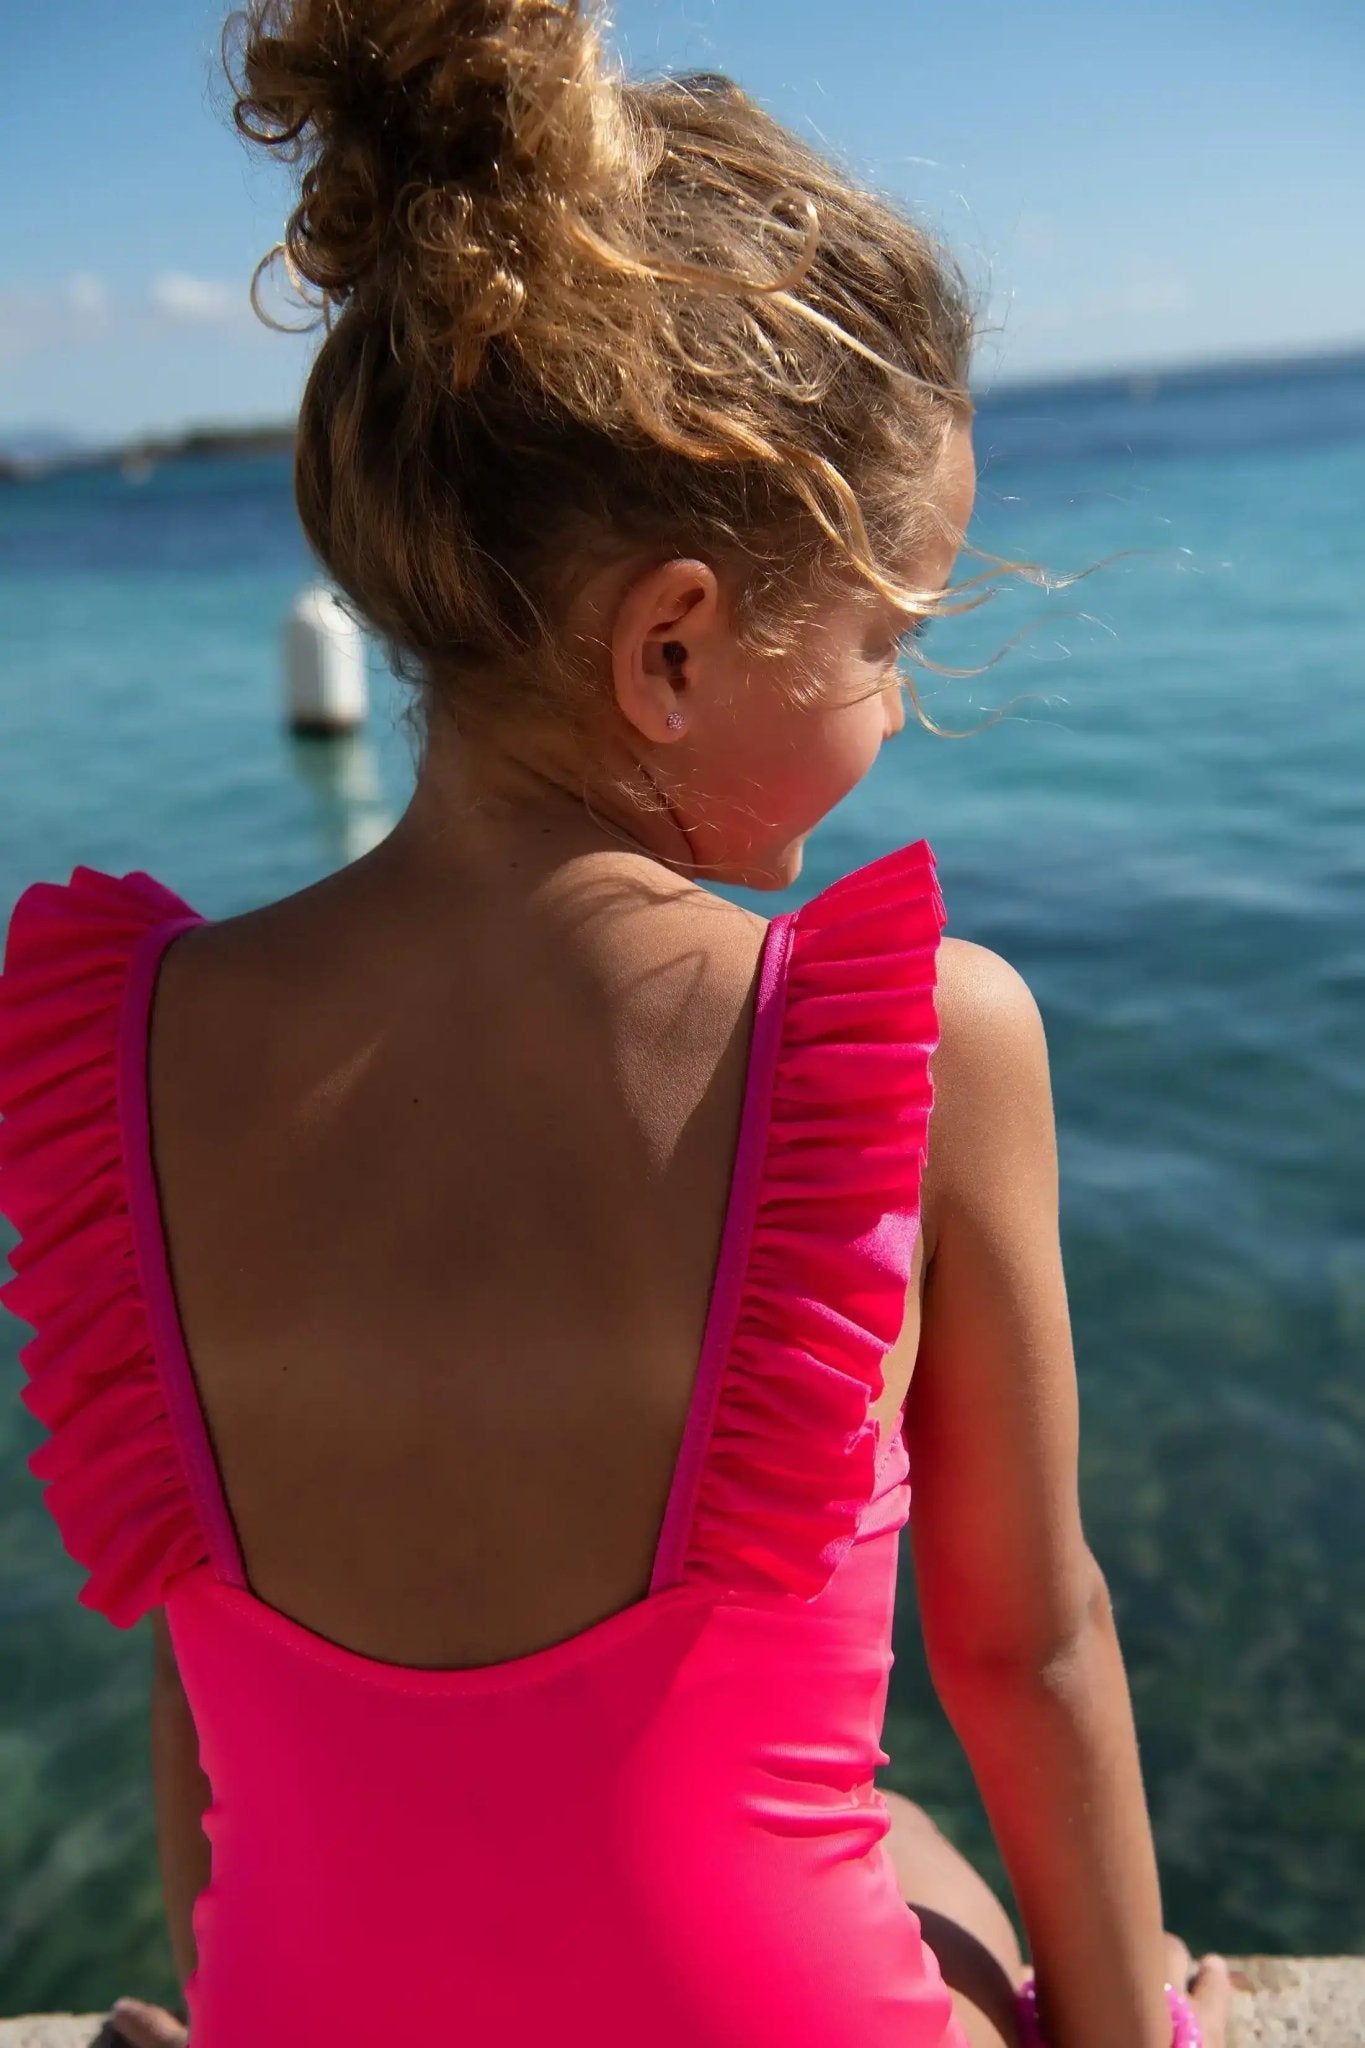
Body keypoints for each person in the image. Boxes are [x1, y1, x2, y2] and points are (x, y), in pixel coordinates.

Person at [0, 4, 1232, 2045]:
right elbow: (1025, 1652)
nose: (895, 707)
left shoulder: (123, 1051)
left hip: (318, 2012)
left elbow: (194, 1704)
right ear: (669, 645)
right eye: (881, 635)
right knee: (907, 1839)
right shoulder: (918, 1040)